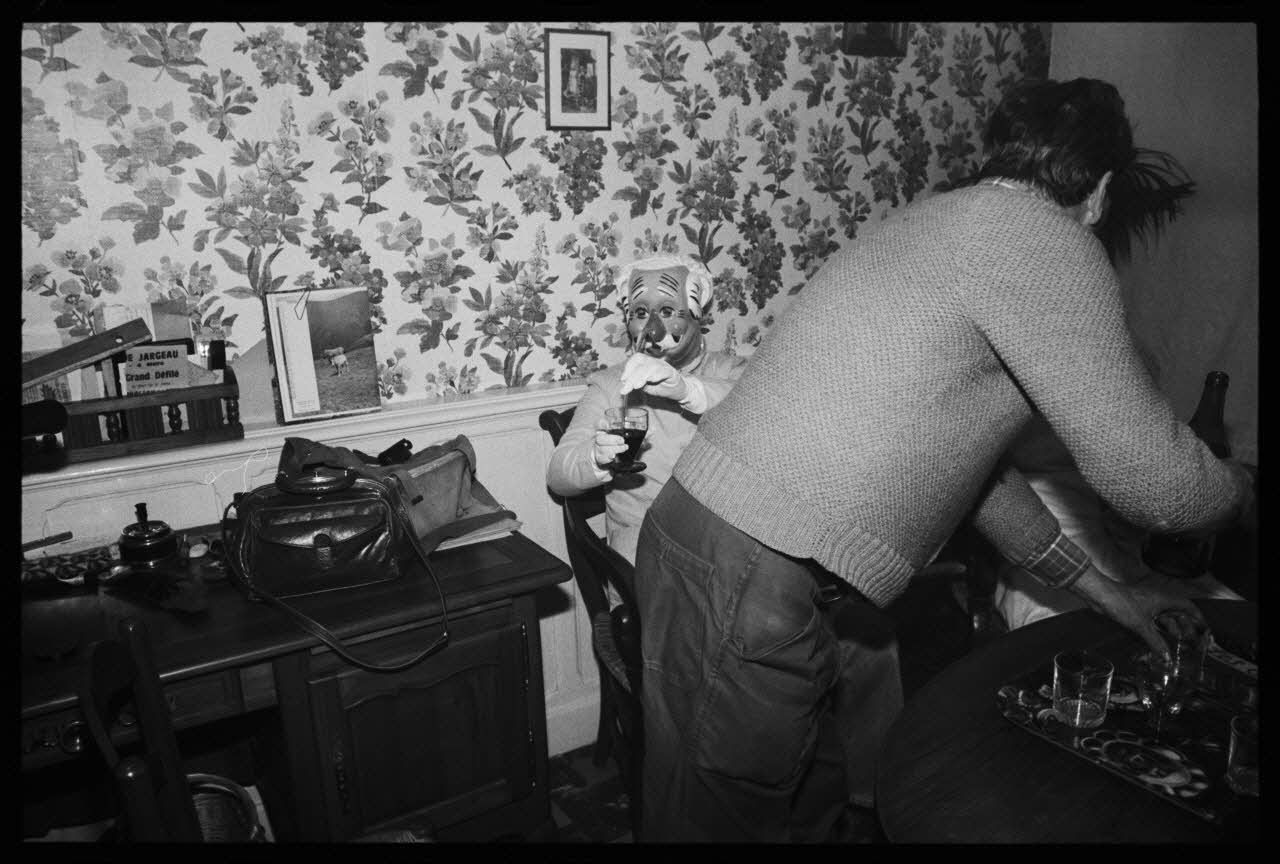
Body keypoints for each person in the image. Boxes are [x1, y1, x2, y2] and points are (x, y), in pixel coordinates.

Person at [631, 77, 1256, 842]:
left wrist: (1113, 594)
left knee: (802, 797)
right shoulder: (1046, 242)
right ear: (1099, 190)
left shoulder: (941, 219)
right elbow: (1160, 490)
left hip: (733, 547)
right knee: (720, 824)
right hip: (744, 562)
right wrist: (1242, 488)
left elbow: (971, 475)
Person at [546, 254, 746, 569]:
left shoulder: (731, 370)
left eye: (668, 310)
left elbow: (751, 403)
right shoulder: (612, 384)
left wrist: (686, 389)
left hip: (727, 547)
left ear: (696, 314)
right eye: (641, 312)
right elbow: (558, 475)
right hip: (646, 554)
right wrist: (596, 457)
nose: (652, 328)